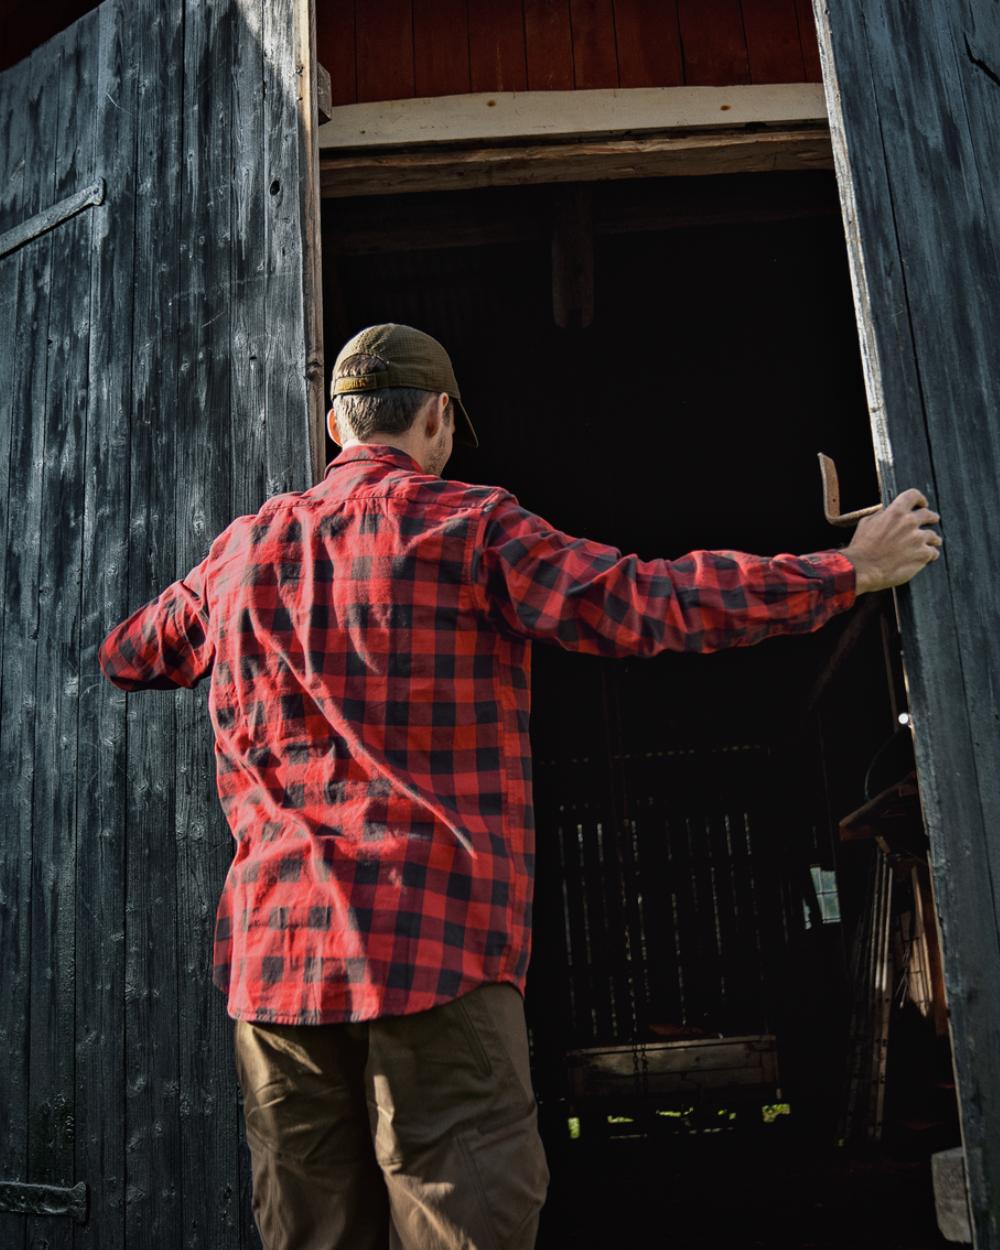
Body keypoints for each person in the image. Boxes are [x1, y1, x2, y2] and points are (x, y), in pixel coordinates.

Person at [98, 323, 942, 1250]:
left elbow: (131, 654)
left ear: (337, 425)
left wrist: (247, 607)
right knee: (463, 1220)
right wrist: (845, 570)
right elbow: (643, 603)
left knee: (309, 1235)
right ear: (440, 419)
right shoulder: (470, 527)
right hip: (436, 951)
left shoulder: (238, 554)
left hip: (278, 970)